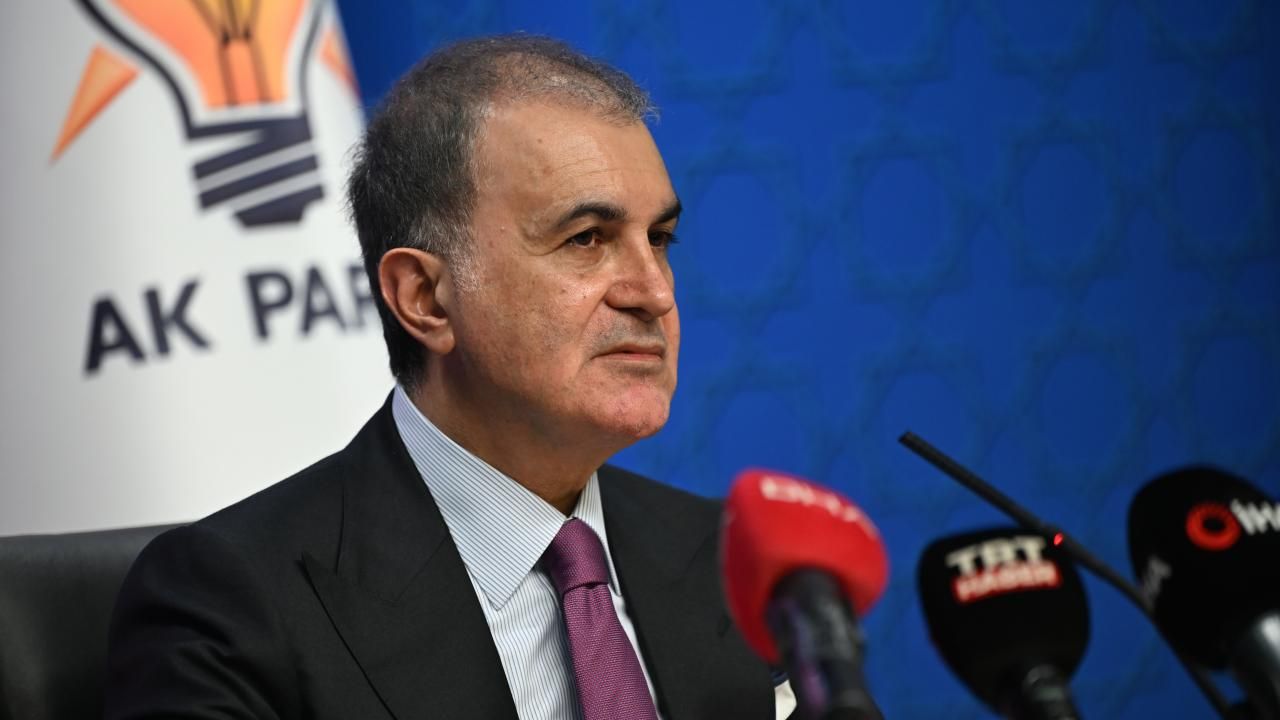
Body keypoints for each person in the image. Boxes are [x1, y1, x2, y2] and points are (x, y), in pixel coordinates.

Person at [104, 34, 790, 719]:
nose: (655, 292)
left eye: (659, 240)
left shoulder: (736, 565)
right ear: (425, 298)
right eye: (586, 239)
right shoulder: (232, 606)